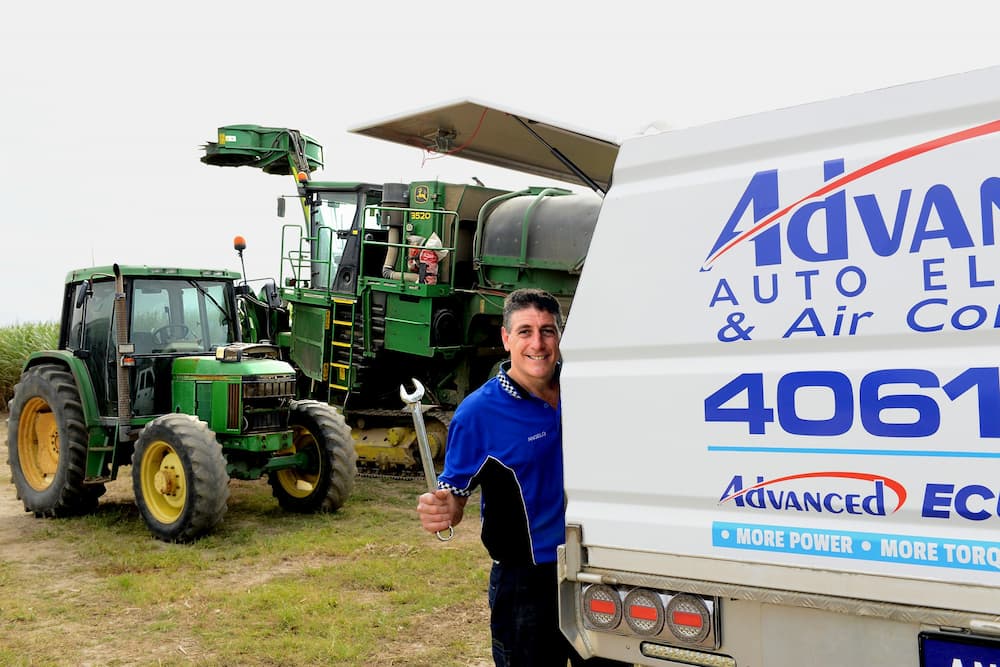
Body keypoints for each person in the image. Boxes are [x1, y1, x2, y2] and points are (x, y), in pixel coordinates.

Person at [416, 288, 624, 667]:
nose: (538, 343)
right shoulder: (477, 414)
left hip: (599, 570)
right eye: (525, 331)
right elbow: (454, 494)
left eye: (548, 331)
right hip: (526, 586)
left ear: (560, 337)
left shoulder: (587, 390)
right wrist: (444, 508)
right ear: (506, 338)